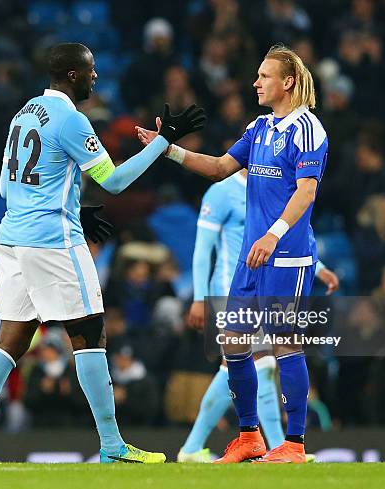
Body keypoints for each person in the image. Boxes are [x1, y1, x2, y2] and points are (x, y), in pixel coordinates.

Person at [0, 42, 205, 464]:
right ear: (72, 75)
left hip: (11, 237)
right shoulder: (72, 120)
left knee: (11, 337)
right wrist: (164, 144)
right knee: (89, 333)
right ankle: (112, 446)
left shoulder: (24, 112)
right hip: (52, 242)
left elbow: (3, 187)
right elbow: (115, 181)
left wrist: (70, 205)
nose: (95, 77)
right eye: (90, 71)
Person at [137, 44, 327, 463]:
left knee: (284, 344)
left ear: (288, 82)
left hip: (286, 255)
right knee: (235, 344)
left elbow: (307, 191)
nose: (256, 82)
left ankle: (293, 445)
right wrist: (168, 149)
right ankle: (249, 437)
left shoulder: (308, 130)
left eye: (264, 75)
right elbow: (221, 168)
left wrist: (274, 235)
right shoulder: (259, 128)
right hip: (250, 255)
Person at [177, 168, 339, 462]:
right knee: (248, 365)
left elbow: (290, 236)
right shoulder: (221, 192)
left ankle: (271, 446)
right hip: (230, 289)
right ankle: (270, 446)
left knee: (257, 366)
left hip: (265, 287)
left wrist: (319, 268)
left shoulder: (274, 188)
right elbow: (203, 249)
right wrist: (200, 297)